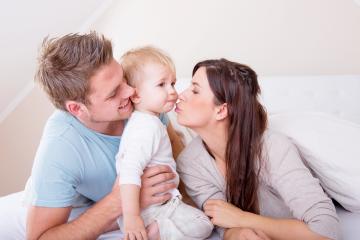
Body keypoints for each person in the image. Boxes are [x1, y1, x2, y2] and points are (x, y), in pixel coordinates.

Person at [0, 32, 184, 239]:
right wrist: (120, 200)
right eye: (113, 94)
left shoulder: (143, 102)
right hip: (72, 206)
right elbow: (41, 237)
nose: (130, 91)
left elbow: (180, 159)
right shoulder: (61, 147)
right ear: (77, 109)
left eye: (123, 78)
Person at [176, 59, 341, 240]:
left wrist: (242, 218)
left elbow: (327, 231)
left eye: (195, 90)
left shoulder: (273, 149)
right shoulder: (190, 162)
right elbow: (222, 221)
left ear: (221, 111)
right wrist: (238, 234)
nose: (181, 95)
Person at [115, 46, 213, 240]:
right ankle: (155, 233)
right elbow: (129, 171)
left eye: (173, 84)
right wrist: (132, 217)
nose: (172, 92)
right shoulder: (146, 127)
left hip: (151, 207)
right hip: (149, 209)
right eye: (161, 85)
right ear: (136, 95)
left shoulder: (148, 121)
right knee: (203, 224)